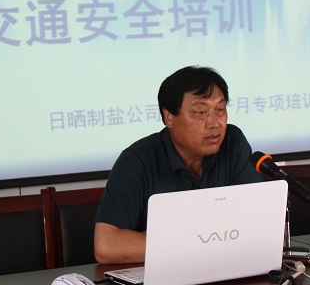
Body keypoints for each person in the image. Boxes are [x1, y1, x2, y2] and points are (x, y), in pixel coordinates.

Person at [93, 65, 262, 264]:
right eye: (201, 112)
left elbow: (257, 217)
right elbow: (106, 246)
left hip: (223, 267)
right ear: (169, 117)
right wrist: (197, 244)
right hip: (161, 276)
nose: (214, 123)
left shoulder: (232, 142)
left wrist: (168, 242)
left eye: (220, 109)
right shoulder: (137, 161)